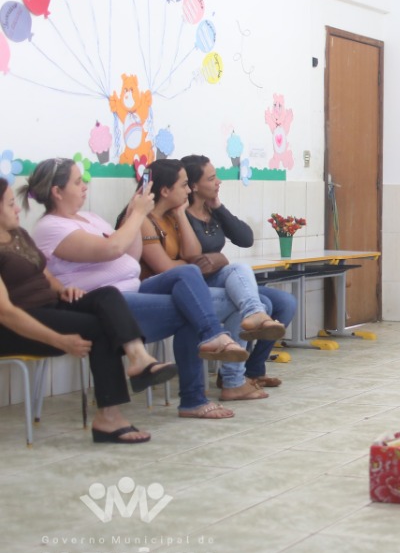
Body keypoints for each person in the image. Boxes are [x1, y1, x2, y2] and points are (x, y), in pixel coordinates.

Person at [23, 157, 247, 420]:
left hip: (134, 291)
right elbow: (111, 249)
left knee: (186, 272)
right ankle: (194, 398)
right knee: (190, 313)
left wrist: (132, 216)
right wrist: (139, 214)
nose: (85, 185)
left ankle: (210, 341)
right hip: (107, 303)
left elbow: (128, 256)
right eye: (77, 181)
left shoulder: (89, 218)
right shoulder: (51, 227)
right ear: (57, 192)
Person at [0, 178, 176, 443]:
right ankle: (108, 417)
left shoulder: (18, 234)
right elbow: (6, 313)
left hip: (48, 306)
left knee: (107, 295)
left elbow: (44, 273)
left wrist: (62, 290)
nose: (17, 210)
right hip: (16, 323)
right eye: (11, 204)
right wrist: (59, 340)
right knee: (97, 327)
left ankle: (138, 357)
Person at [139, 159, 282, 402]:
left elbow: (193, 254)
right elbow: (170, 269)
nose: (187, 191)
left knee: (239, 270)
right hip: (161, 295)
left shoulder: (173, 216)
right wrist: (203, 262)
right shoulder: (145, 220)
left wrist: (181, 215)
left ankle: (253, 315)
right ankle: (234, 380)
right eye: (184, 186)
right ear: (165, 191)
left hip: (187, 286)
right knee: (251, 301)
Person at [182, 154, 295, 390]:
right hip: (203, 283)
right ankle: (234, 375)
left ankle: (253, 369)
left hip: (224, 278)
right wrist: (219, 258)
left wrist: (219, 207)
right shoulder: (182, 216)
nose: (218, 182)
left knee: (286, 303)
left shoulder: (212, 212)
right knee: (263, 303)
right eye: (212, 178)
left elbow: (245, 239)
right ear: (193, 186)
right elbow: (193, 260)